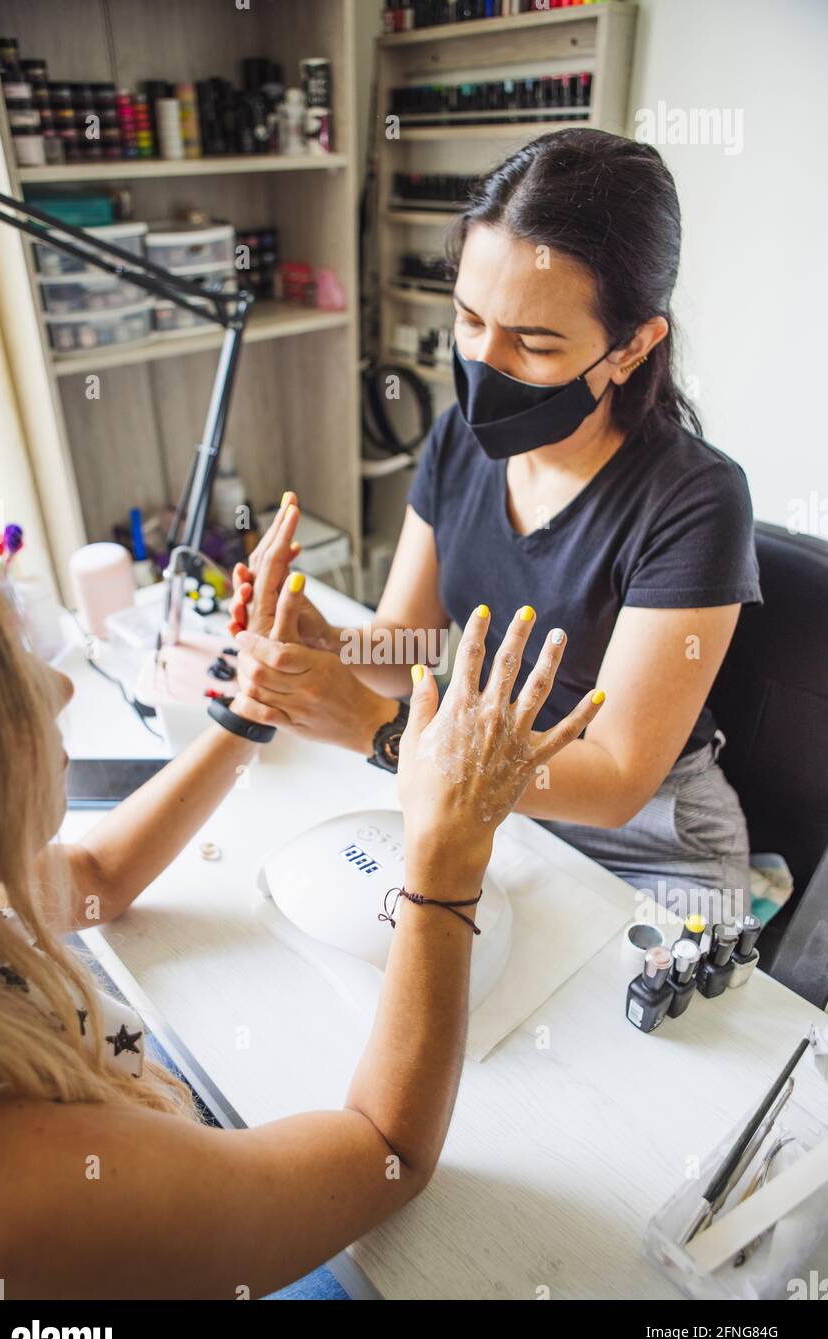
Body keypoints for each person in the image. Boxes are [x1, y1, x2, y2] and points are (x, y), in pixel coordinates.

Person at [0, 530, 602, 1298]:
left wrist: (246, 713)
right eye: (13, 677)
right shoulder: (17, 1183)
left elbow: (98, 876)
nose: (61, 690)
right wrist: (447, 858)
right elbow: (386, 1151)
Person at [230, 129, 762, 923]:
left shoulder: (695, 500)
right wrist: (330, 646)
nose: (484, 364)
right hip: (475, 795)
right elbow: (407, 646)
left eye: (534, 343)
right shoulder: (456, 439)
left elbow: (616, 778)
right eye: (469, 320)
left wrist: (382, 731)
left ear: (632, 345)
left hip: (645, 845)